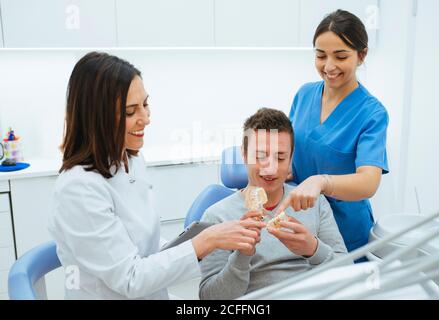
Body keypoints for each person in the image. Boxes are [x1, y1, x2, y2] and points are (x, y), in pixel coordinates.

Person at [48, 52, 264, 299]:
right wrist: (205, 241)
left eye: (145, 104)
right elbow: (130, 279)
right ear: (97, 118)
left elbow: (144, 247)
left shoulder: (132, 161)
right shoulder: (78, 189)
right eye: (131, 112)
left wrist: (208, 244)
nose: (146, 119)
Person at [199, 108, 348, 300]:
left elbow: (347, 273)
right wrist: (242, 255)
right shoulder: (217, 217)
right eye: (260, 156)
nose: (270, 168)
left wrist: (313, 249)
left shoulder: (314, 202)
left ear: (291, 158)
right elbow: (210, 298)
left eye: (280, 157)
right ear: (244, 155)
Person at [278, 10, 389, 253]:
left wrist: (322, 181)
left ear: (362, 55)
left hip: (344, 230)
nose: (329, 66)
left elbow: (368, 182)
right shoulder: (305, 93)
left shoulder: (372, 113)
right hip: (300, 222)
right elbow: (288, 146)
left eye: (340, 56)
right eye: (320, 55)